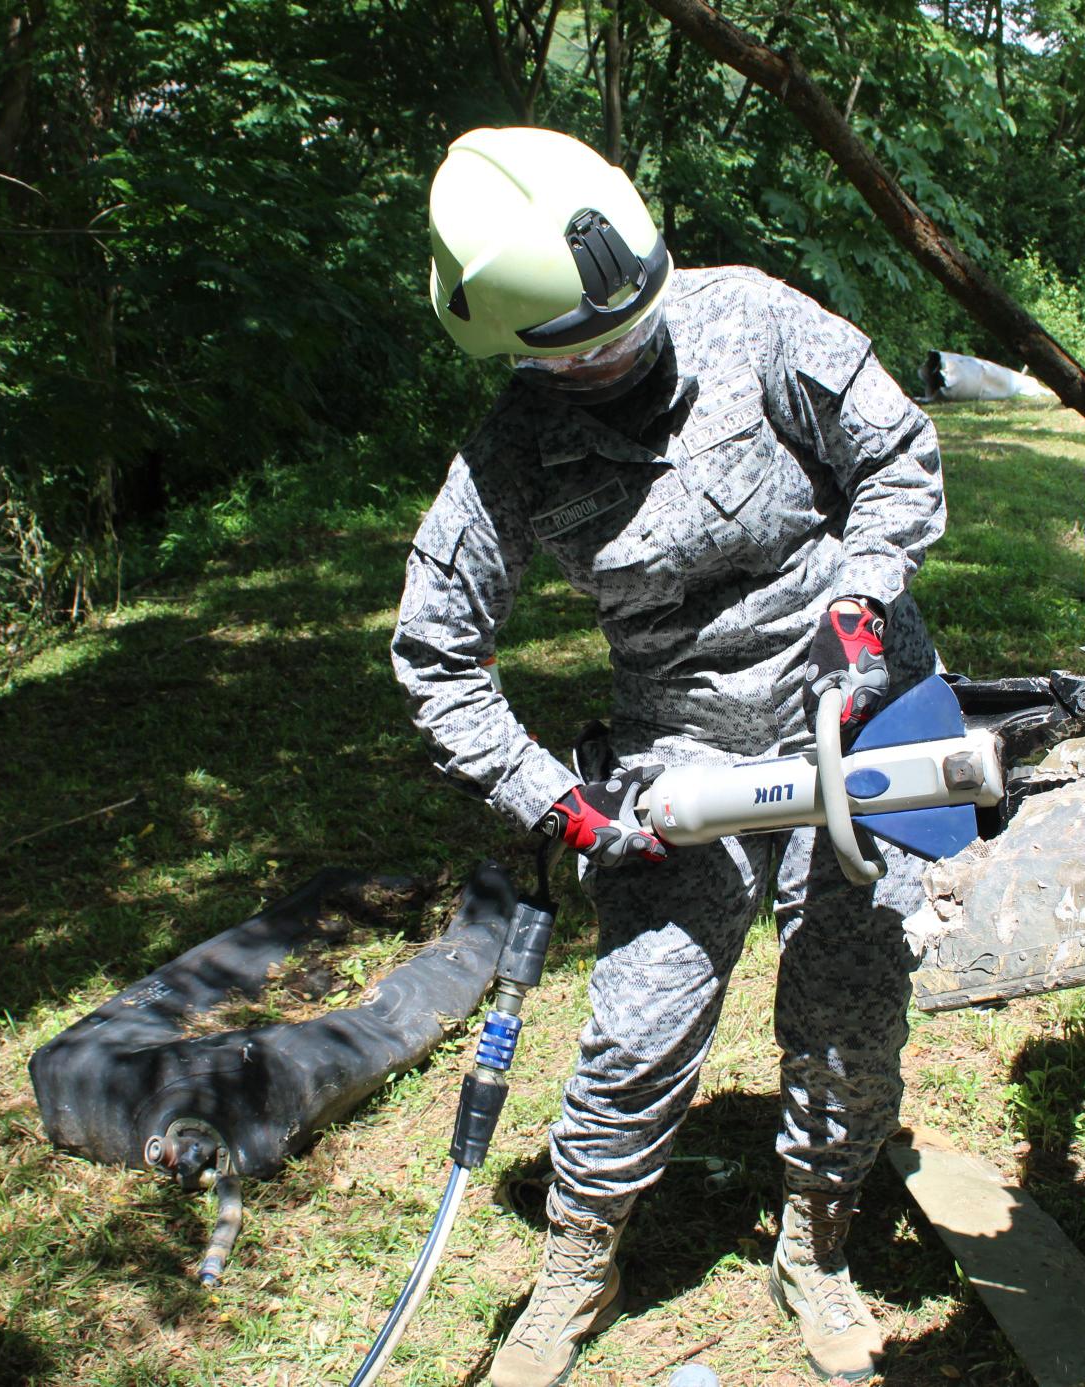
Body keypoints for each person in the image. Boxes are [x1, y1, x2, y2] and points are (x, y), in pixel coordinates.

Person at [391, 126, 945, 1384]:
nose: (618, 360)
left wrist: (861, 601)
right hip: (679, 743)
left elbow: (898, 458)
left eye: (630, 326)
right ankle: (577, 1267)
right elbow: (433, 659)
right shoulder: (513, 449)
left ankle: (817, 1241)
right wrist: (564, 807)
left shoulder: (752, 319)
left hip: (860, 694)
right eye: (578, 355)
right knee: (637, 1023)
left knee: (854, 997)